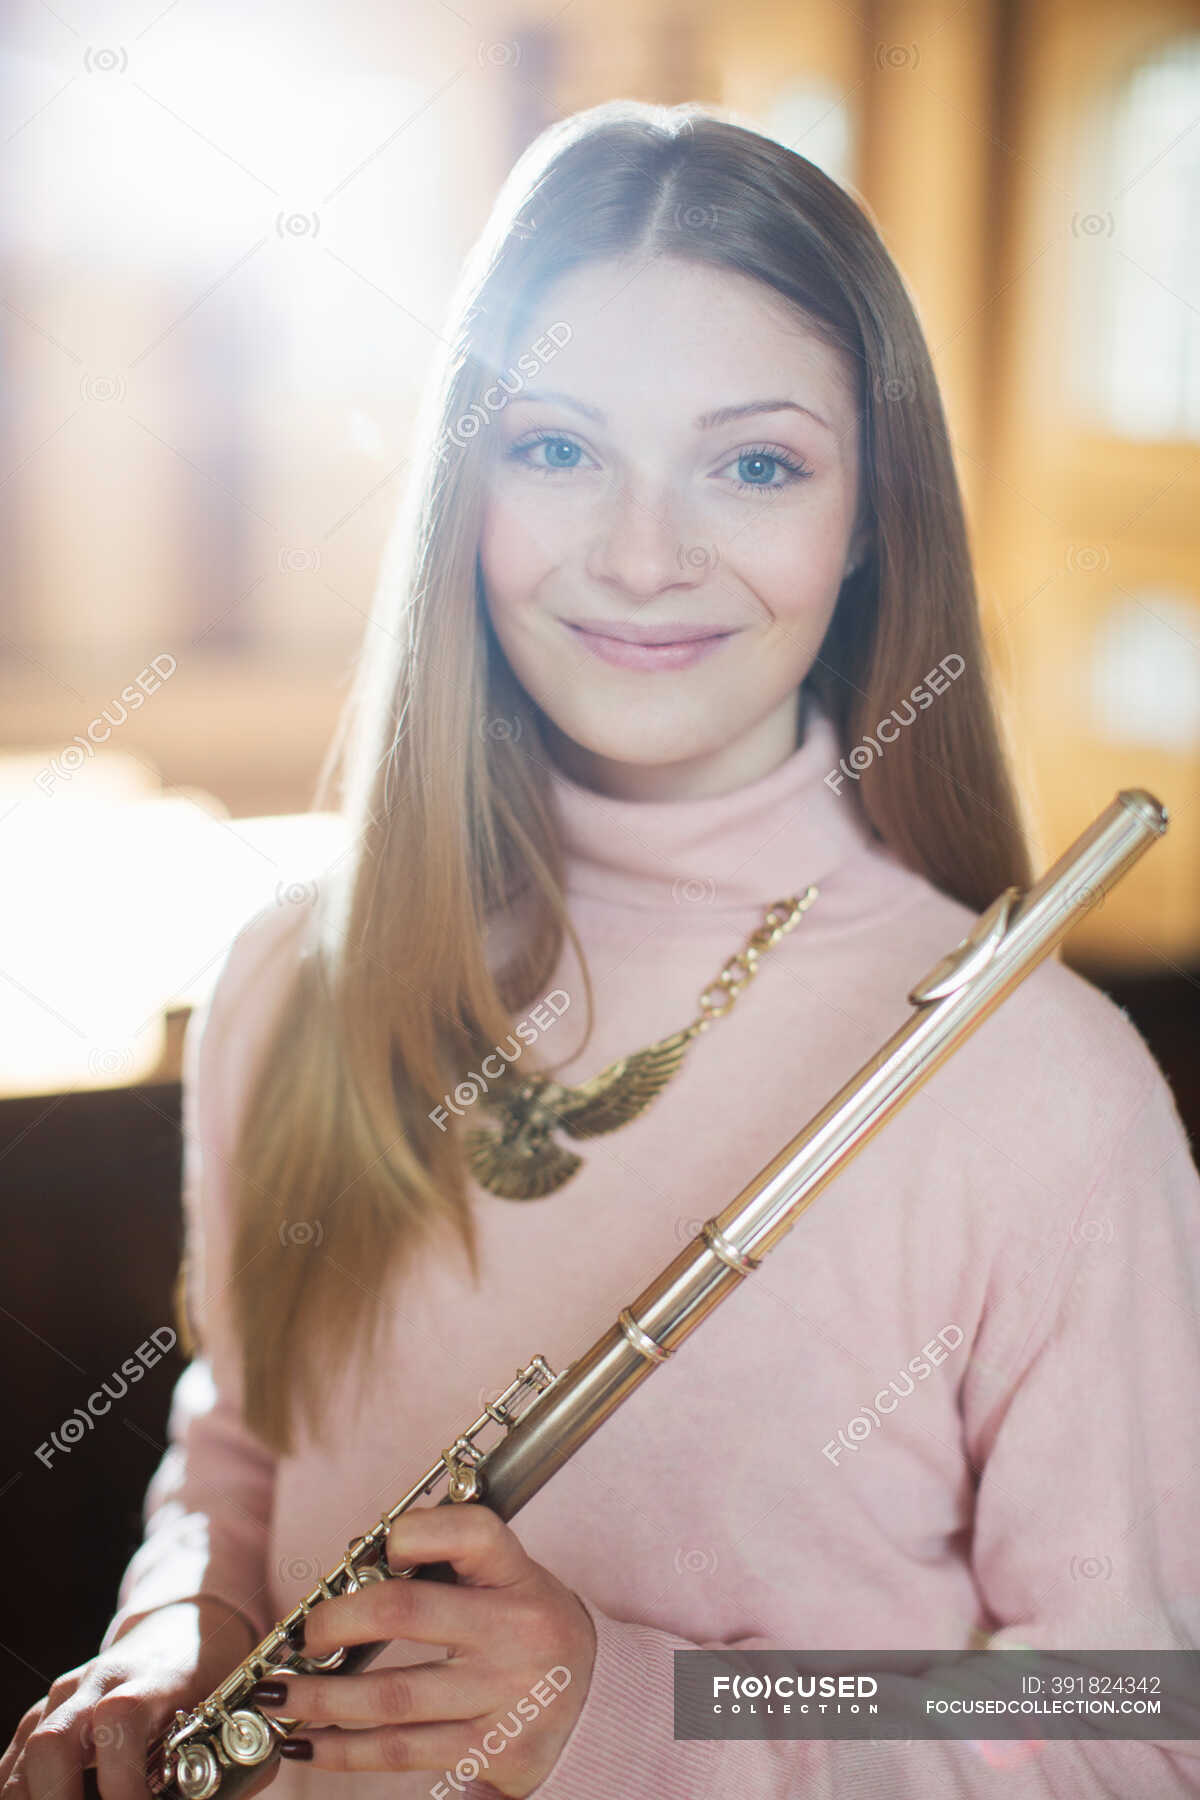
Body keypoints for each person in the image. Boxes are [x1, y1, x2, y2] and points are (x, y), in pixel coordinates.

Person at [4, 97, 1199, 1800]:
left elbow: (1133, 1726)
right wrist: (179, 1624)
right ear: (464, 487)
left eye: (756, 464)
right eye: (559, 450)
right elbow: (245, 1444)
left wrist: (622, 1712)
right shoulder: (293, 976)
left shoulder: (1043, 1084)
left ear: (870, 517)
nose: (643, 557)